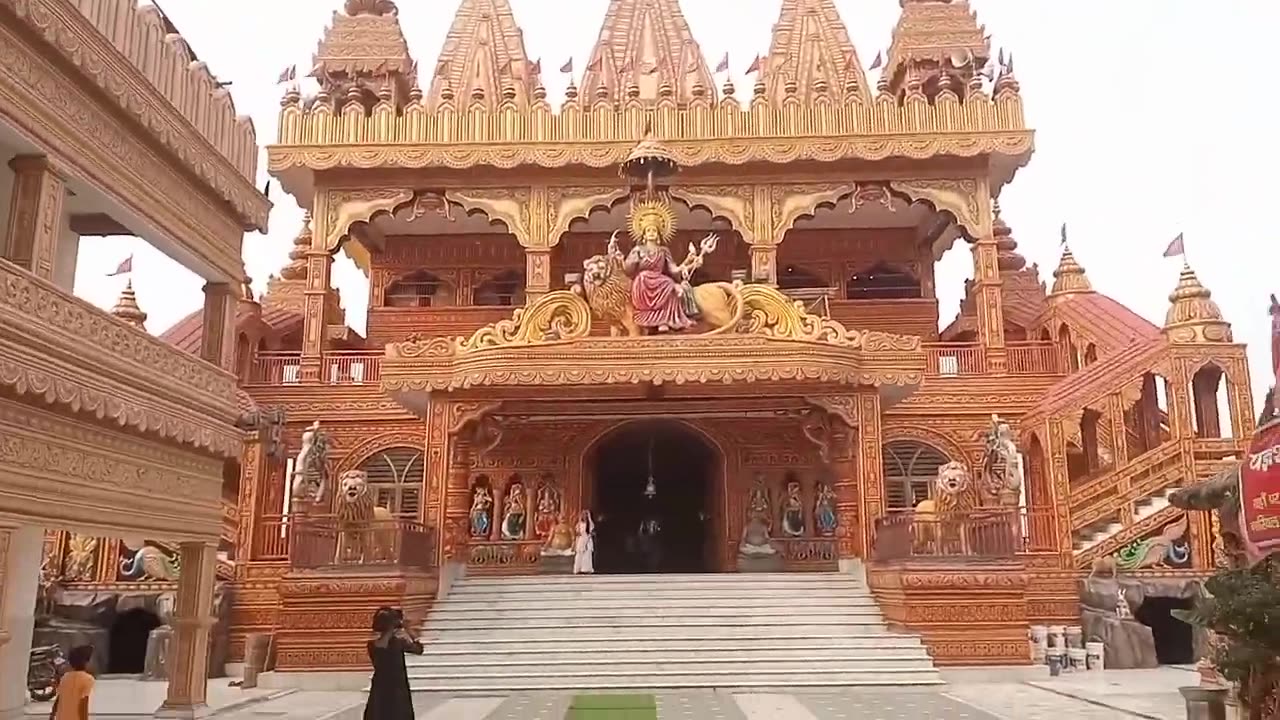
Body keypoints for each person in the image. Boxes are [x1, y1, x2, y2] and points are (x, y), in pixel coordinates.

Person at [363, 607, 423, 720]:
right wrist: (399, 629)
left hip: (389, 687)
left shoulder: (387, 643)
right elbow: (419, 649)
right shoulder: (389, 643)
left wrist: (403, 629)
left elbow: (418, 649)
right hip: (390, 687)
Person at [51, 645, 94, 720]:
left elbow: (59, 699)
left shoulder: (65, 677)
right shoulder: (88, 679)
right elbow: (83, 705)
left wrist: (52, 715)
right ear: (86, 662)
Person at [573, 510, 595, 574]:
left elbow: (591, 531)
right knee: (579, 554)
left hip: (587, 540)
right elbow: (577, 532)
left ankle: (586, 569)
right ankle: (578, 568)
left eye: (586, 515)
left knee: (587, 554)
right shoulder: (579, 524)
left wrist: (589, 517)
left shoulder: (590, 524)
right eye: (583, 515)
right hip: (581, 540)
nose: (584, 516)